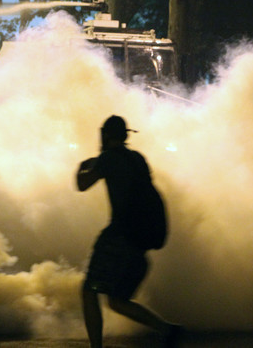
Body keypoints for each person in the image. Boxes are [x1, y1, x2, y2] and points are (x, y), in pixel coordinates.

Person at [76, 115, 181, 348]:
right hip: (138, 242)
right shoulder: (137, 159)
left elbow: (82, 185)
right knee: (117, 300)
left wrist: (82, 167)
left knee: (89, 290)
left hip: (118, 240)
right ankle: (167, 329)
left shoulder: (107, 159)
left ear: (105, 135)